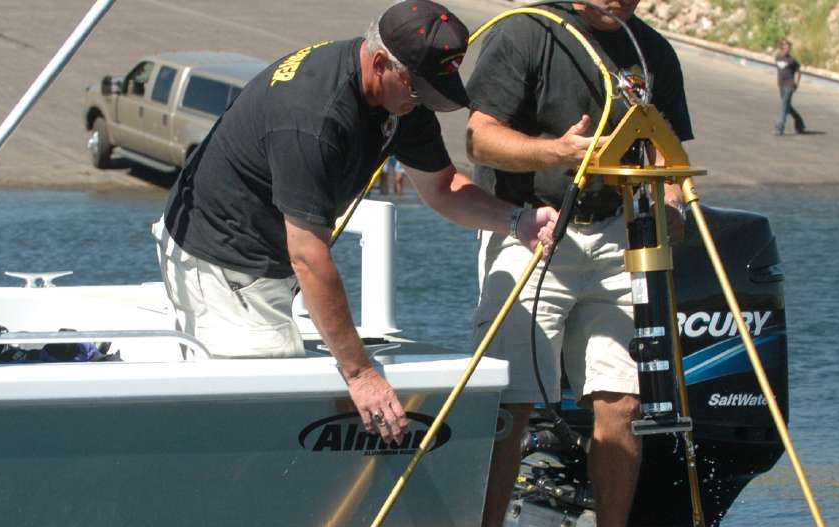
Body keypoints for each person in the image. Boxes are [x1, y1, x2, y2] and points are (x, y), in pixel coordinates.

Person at [152, 0, 558, 446]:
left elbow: (441, 187)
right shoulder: (314, 118)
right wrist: (361, 373)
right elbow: (308, 255)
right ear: (380, 62)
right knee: (258, 414)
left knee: (287, 394)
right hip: (220, 257)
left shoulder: (399, 98)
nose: (421, 101)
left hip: (272, 254)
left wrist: (516, 220)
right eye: (418, 89)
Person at [463, 0, 692, 527]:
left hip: (619, 235)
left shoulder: (649, 51)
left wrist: (670, 211)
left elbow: (666, 157)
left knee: (622, 399)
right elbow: (479, 135)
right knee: (510, 399)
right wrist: (556, 153)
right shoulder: (527, 33)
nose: (624, 3)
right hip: (528, 229)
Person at [774, 38, 806, 135]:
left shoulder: (792, 60)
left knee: (784, 106)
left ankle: (779, 127)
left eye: (789, 48)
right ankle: (800, 124)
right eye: (786, 48)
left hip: (789, 85)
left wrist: (797, 83)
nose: (788, 50)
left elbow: (799, 71)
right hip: (781, 85)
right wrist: (778, 82)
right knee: (788, 107)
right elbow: (779, 72)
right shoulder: (777, 58)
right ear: (781, 48)